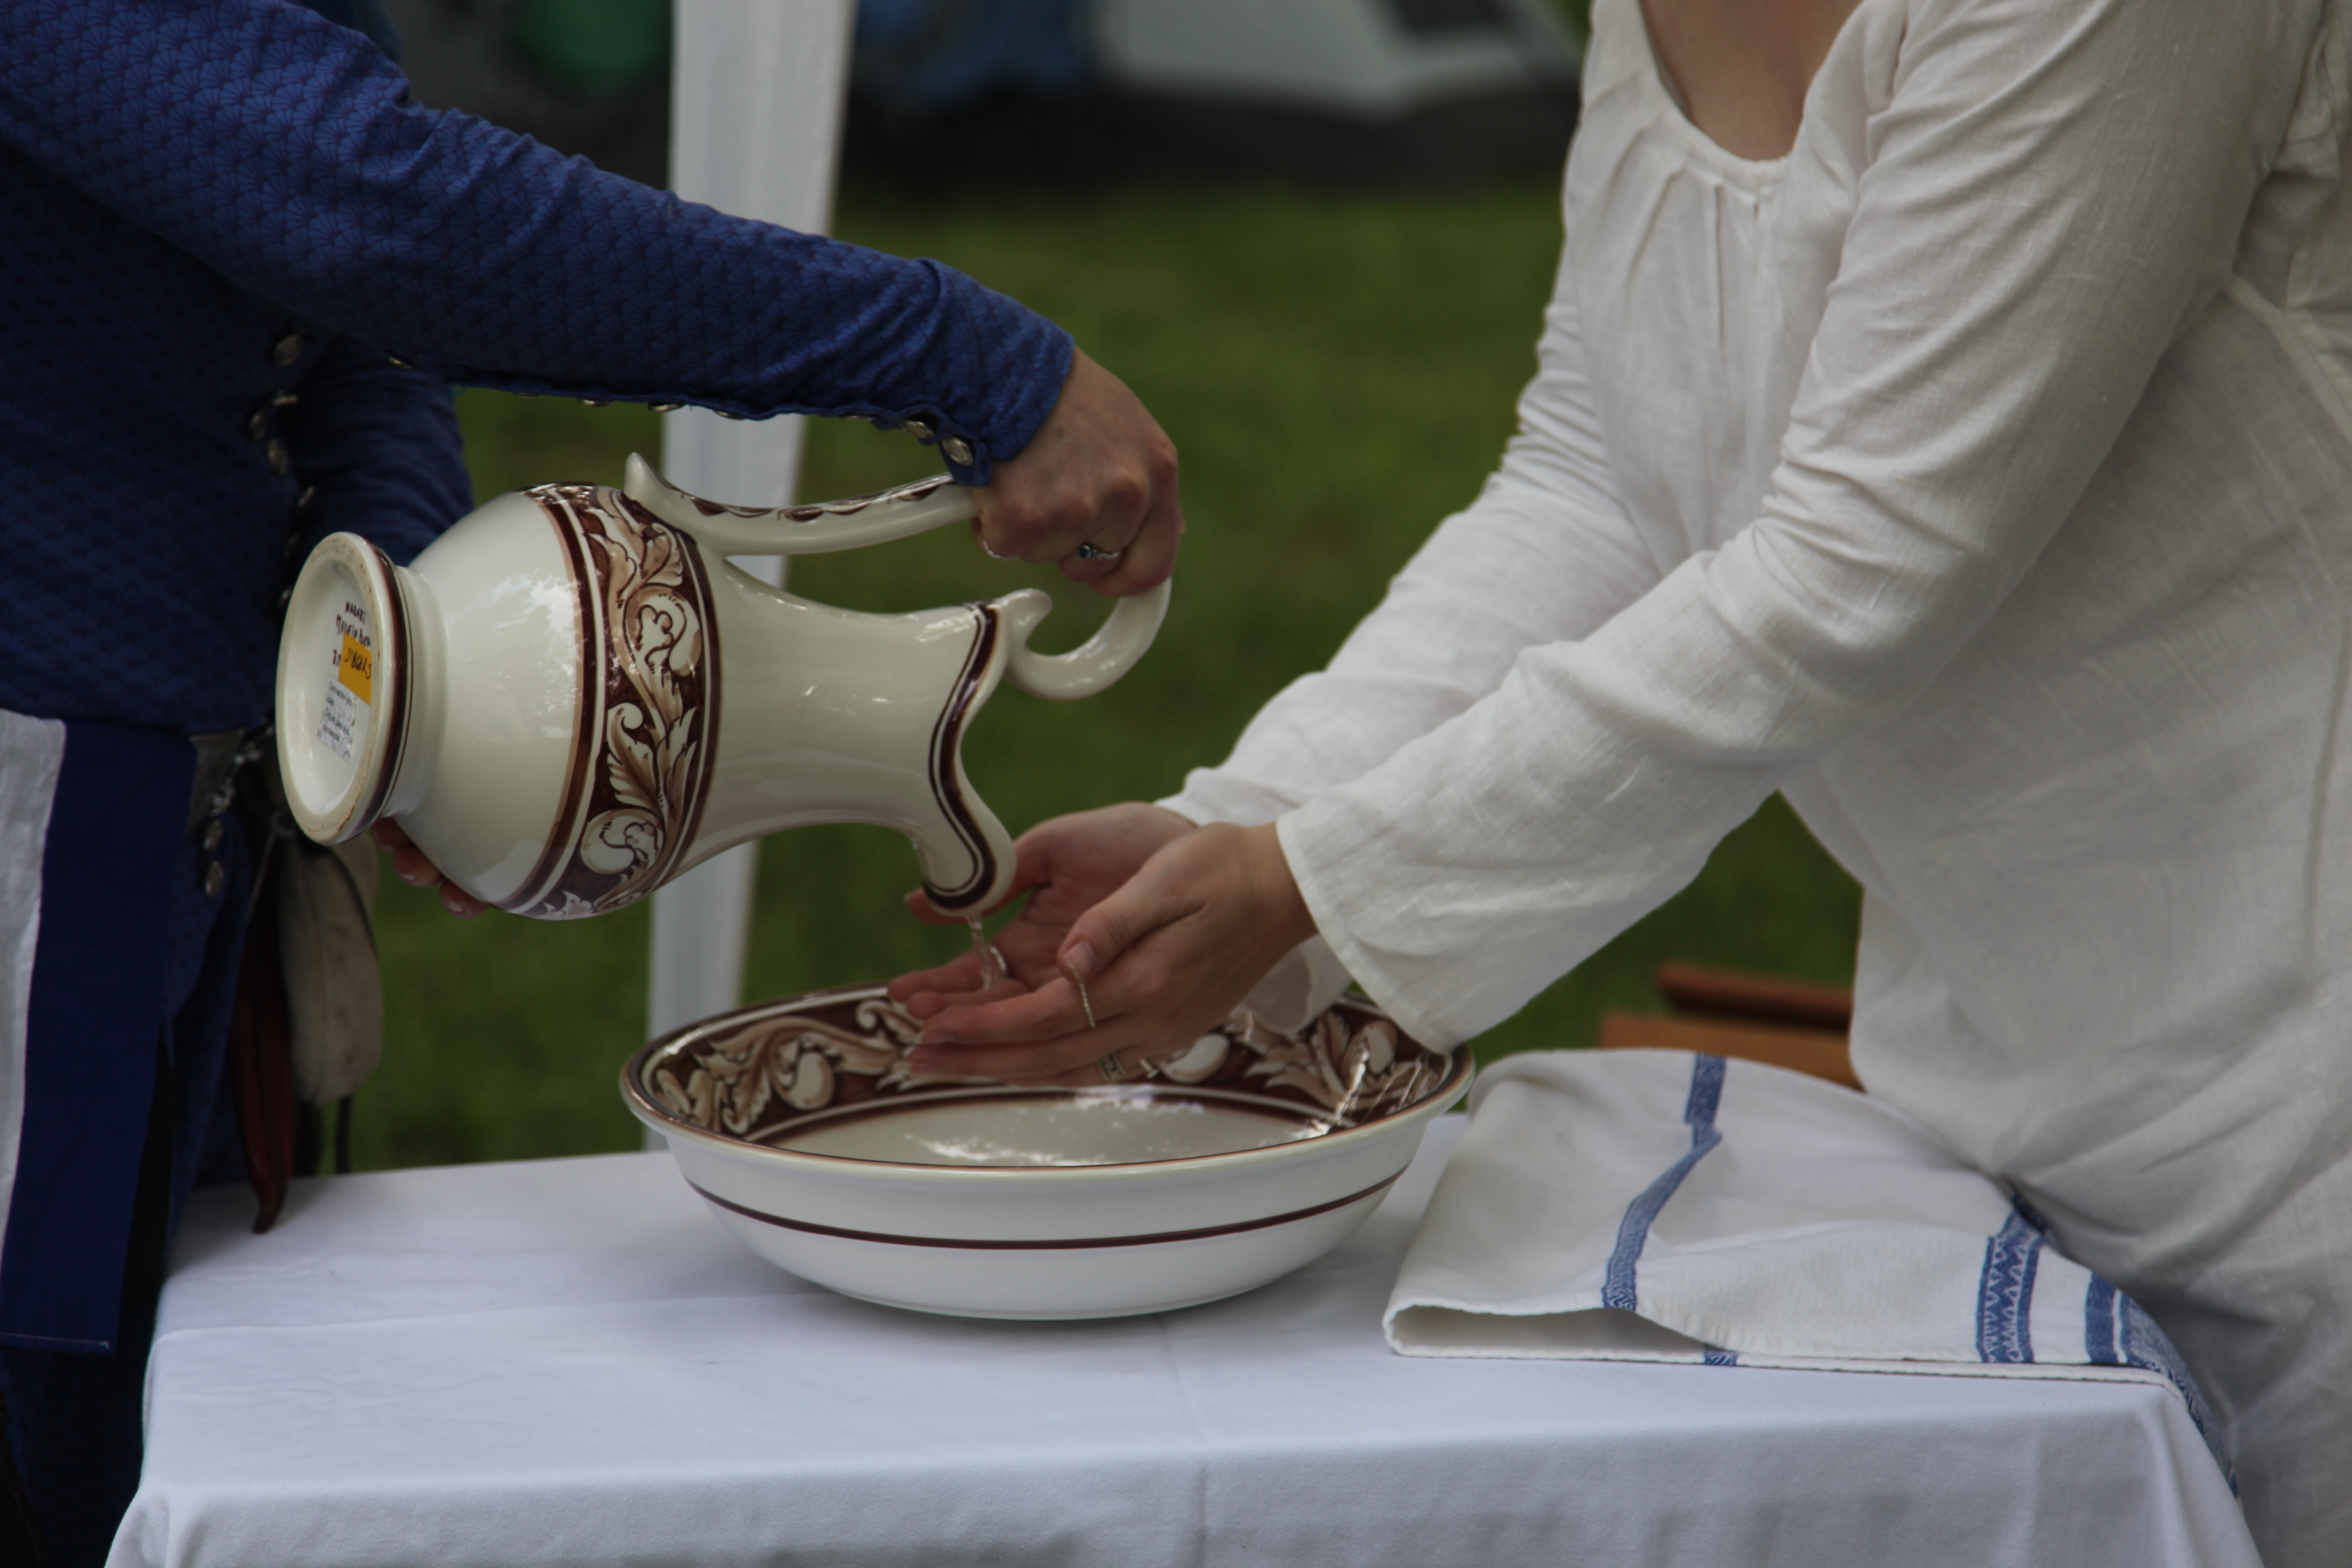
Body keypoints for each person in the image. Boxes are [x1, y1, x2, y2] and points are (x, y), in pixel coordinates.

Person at [888, 0, 2352, 1561]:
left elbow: (1864, 567)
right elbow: (1602, 480)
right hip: (2001, 1077)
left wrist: (1314, 882)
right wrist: (1246, 826)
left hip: (2300, 1082)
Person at [0, 0, 1178, 1561]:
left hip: (165, 827)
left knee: (137, 1419)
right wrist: (962, 356)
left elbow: (319, 288)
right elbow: (366, 208)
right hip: (37, 815)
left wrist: (400, 646)